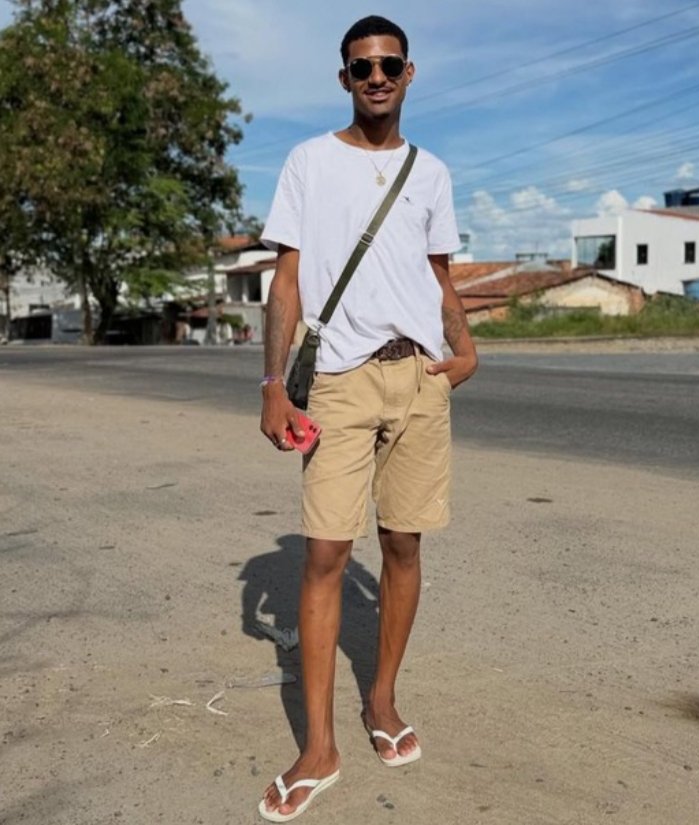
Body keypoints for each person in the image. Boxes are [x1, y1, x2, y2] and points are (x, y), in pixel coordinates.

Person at [258, 15, 478, 822]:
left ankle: (381, 698)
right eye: (362, 67)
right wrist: (272, 383)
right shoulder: (308, 162)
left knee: (404, 543)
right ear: (344, 77)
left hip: (417, 377)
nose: (376, 77)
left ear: (409, 73)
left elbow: (438, 276)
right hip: (341, 381)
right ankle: (319, 746)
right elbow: (287, 281)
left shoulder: (432, 172)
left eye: (388, 64)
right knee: (325, 552)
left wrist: (467, 347)